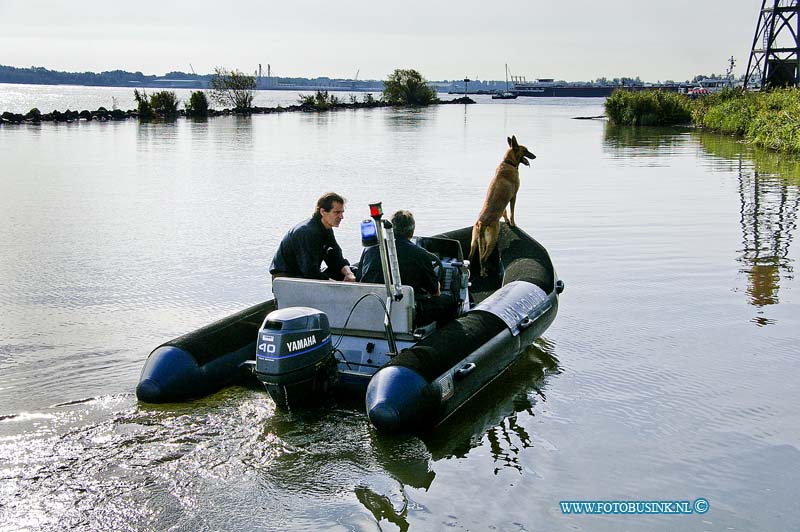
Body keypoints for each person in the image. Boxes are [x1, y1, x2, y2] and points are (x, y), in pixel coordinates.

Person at [358, 210, 455, 326]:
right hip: (408, 312)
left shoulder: (369, 249)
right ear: (412, 231)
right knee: (448, 300)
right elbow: (435, 292)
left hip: (371, 307)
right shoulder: (420, 254)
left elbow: (359, 278)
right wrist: (437, 284)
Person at [270, 192, 356, 282]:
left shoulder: (326, 229)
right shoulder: (307, 232)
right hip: (287, 279)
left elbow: (336, 258)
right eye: (337, 212)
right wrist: (337, 285)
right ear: (323, 212)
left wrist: (349, 274)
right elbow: (309, 271)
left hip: (306, 275)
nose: (341, 217)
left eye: (342, 212)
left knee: (353, 271)